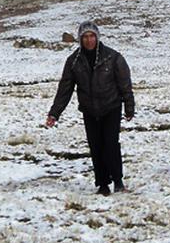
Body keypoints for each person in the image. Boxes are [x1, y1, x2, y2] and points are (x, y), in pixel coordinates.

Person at [46, 21, 135, 196]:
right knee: (96, 147)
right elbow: (65, 89)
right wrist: (54, 113)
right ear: (80, 39)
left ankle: (118, 181)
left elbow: (125, 84)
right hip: (89, 110)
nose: (89, 40)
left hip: (111, 107)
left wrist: (129, 107)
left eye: (92, 36)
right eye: (85, 37)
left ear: (97, 37)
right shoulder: (74, 61)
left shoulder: (113, 57)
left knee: (111, 145)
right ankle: (102, 185)